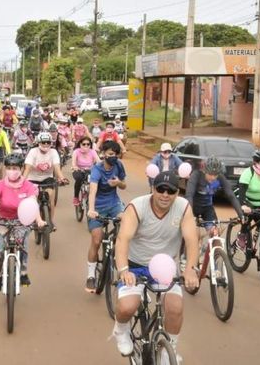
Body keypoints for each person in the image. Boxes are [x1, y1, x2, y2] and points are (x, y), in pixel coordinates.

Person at [112, 171, 199, 362]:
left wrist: (190, 269)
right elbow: (122, 240)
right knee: (128, 306)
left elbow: (192, 240)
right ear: (153, 189)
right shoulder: (137, 206)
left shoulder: (183, 207)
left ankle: (170, 350)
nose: (165, 195)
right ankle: (120, 329)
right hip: (135, 265)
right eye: (161, 189)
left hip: (165, 267)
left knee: (175, 308)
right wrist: (124, 270)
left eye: (171, 191)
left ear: (177, 193)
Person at [0, 154, 47, 289]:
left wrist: (39, 220)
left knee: (23, 245)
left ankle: (23, 273)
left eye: (15, 168)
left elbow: (33, 204)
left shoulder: (28, 186)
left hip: (22, 220)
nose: (12, 171)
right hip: (2, 219)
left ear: (21, 169)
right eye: (9, 168)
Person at [85, 141, 126, 292]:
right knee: (96, 239)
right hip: (97, 207)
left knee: (126, 222)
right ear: (103, 154)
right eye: (109, 154)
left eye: (115, 154)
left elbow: (124, 185)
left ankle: (120, 254)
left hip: (114, 203)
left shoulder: (119, 165)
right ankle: (90, 275)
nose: (112, 157)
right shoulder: (96, 169)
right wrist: (91, 209)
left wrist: (118, 183)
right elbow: (92, 191)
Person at [185, 156, 243, 238]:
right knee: (189, 235)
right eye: (210, 174)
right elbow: (189, 195)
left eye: (215, 175)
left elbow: (230, 195)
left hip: (207, 209)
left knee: (215, 235)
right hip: (193, 206)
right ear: (205, 171)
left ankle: (208, 249)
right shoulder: (196, 175)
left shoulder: (220, 177)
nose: (213, 177)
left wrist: (241, 214)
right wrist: (189, 214)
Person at [23, 132, 67, 230]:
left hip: (47, 178)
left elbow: (57, 167)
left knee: (50, 197)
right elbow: (27, 168)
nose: (46, 144)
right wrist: (22, 181)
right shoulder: (33, 151)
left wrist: (62, 178)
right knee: (32, 199)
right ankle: (34, 218)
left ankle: (50, 221)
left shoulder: (54, 152)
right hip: (32, 179)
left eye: (48, 142)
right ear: (39, 142)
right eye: (43, 142)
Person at [71, 136, 99, 206]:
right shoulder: (76, 152)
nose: (86, 145)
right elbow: (73, 163)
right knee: (79, 179)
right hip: (79, 170)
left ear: (90, 145)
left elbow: (98, 161)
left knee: (96, 181)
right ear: (80, 144)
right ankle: (76, 197)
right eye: (84, 144)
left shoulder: (92, 151)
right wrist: (75, 167)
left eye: (88, 144)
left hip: (90, 170)